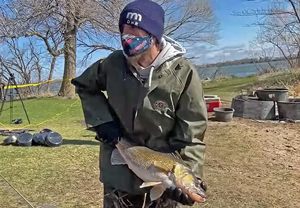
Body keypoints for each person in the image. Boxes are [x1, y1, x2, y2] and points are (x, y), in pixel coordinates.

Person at [71, 0, 208, 207]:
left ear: (153, 35)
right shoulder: (112, 64)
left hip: (164, 172)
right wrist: (102, 121)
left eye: (134, 30)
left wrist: (190, 175)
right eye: (123, 30)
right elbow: (83, 85)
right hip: (119, 168)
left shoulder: (183, 74)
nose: (127, 37)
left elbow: (192, 134)